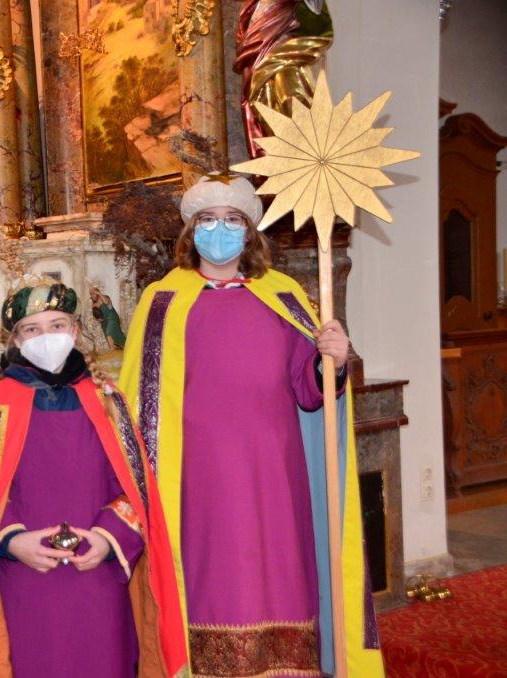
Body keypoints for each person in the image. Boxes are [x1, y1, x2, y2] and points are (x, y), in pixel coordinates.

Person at [119, 173, 384, 677]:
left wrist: (332, 360)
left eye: (232, 219)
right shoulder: (162, 300)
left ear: (251, 232)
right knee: (213, 578)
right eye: (208, 220)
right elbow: (141, 404)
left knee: (280, 573)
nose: (219, 229)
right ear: (190, 231)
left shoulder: (283, 294)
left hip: (275, 470)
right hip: (199, 477)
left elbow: (310, 391)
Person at [0, 278, 187, 678]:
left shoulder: (108, 401)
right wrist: (12, 540)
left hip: (96, 573)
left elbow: (134, 490)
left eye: (57, 325)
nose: (47, 336)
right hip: (25, 577)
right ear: (16, 339)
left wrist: (107, 538)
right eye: (32, 329)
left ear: (76, 330)